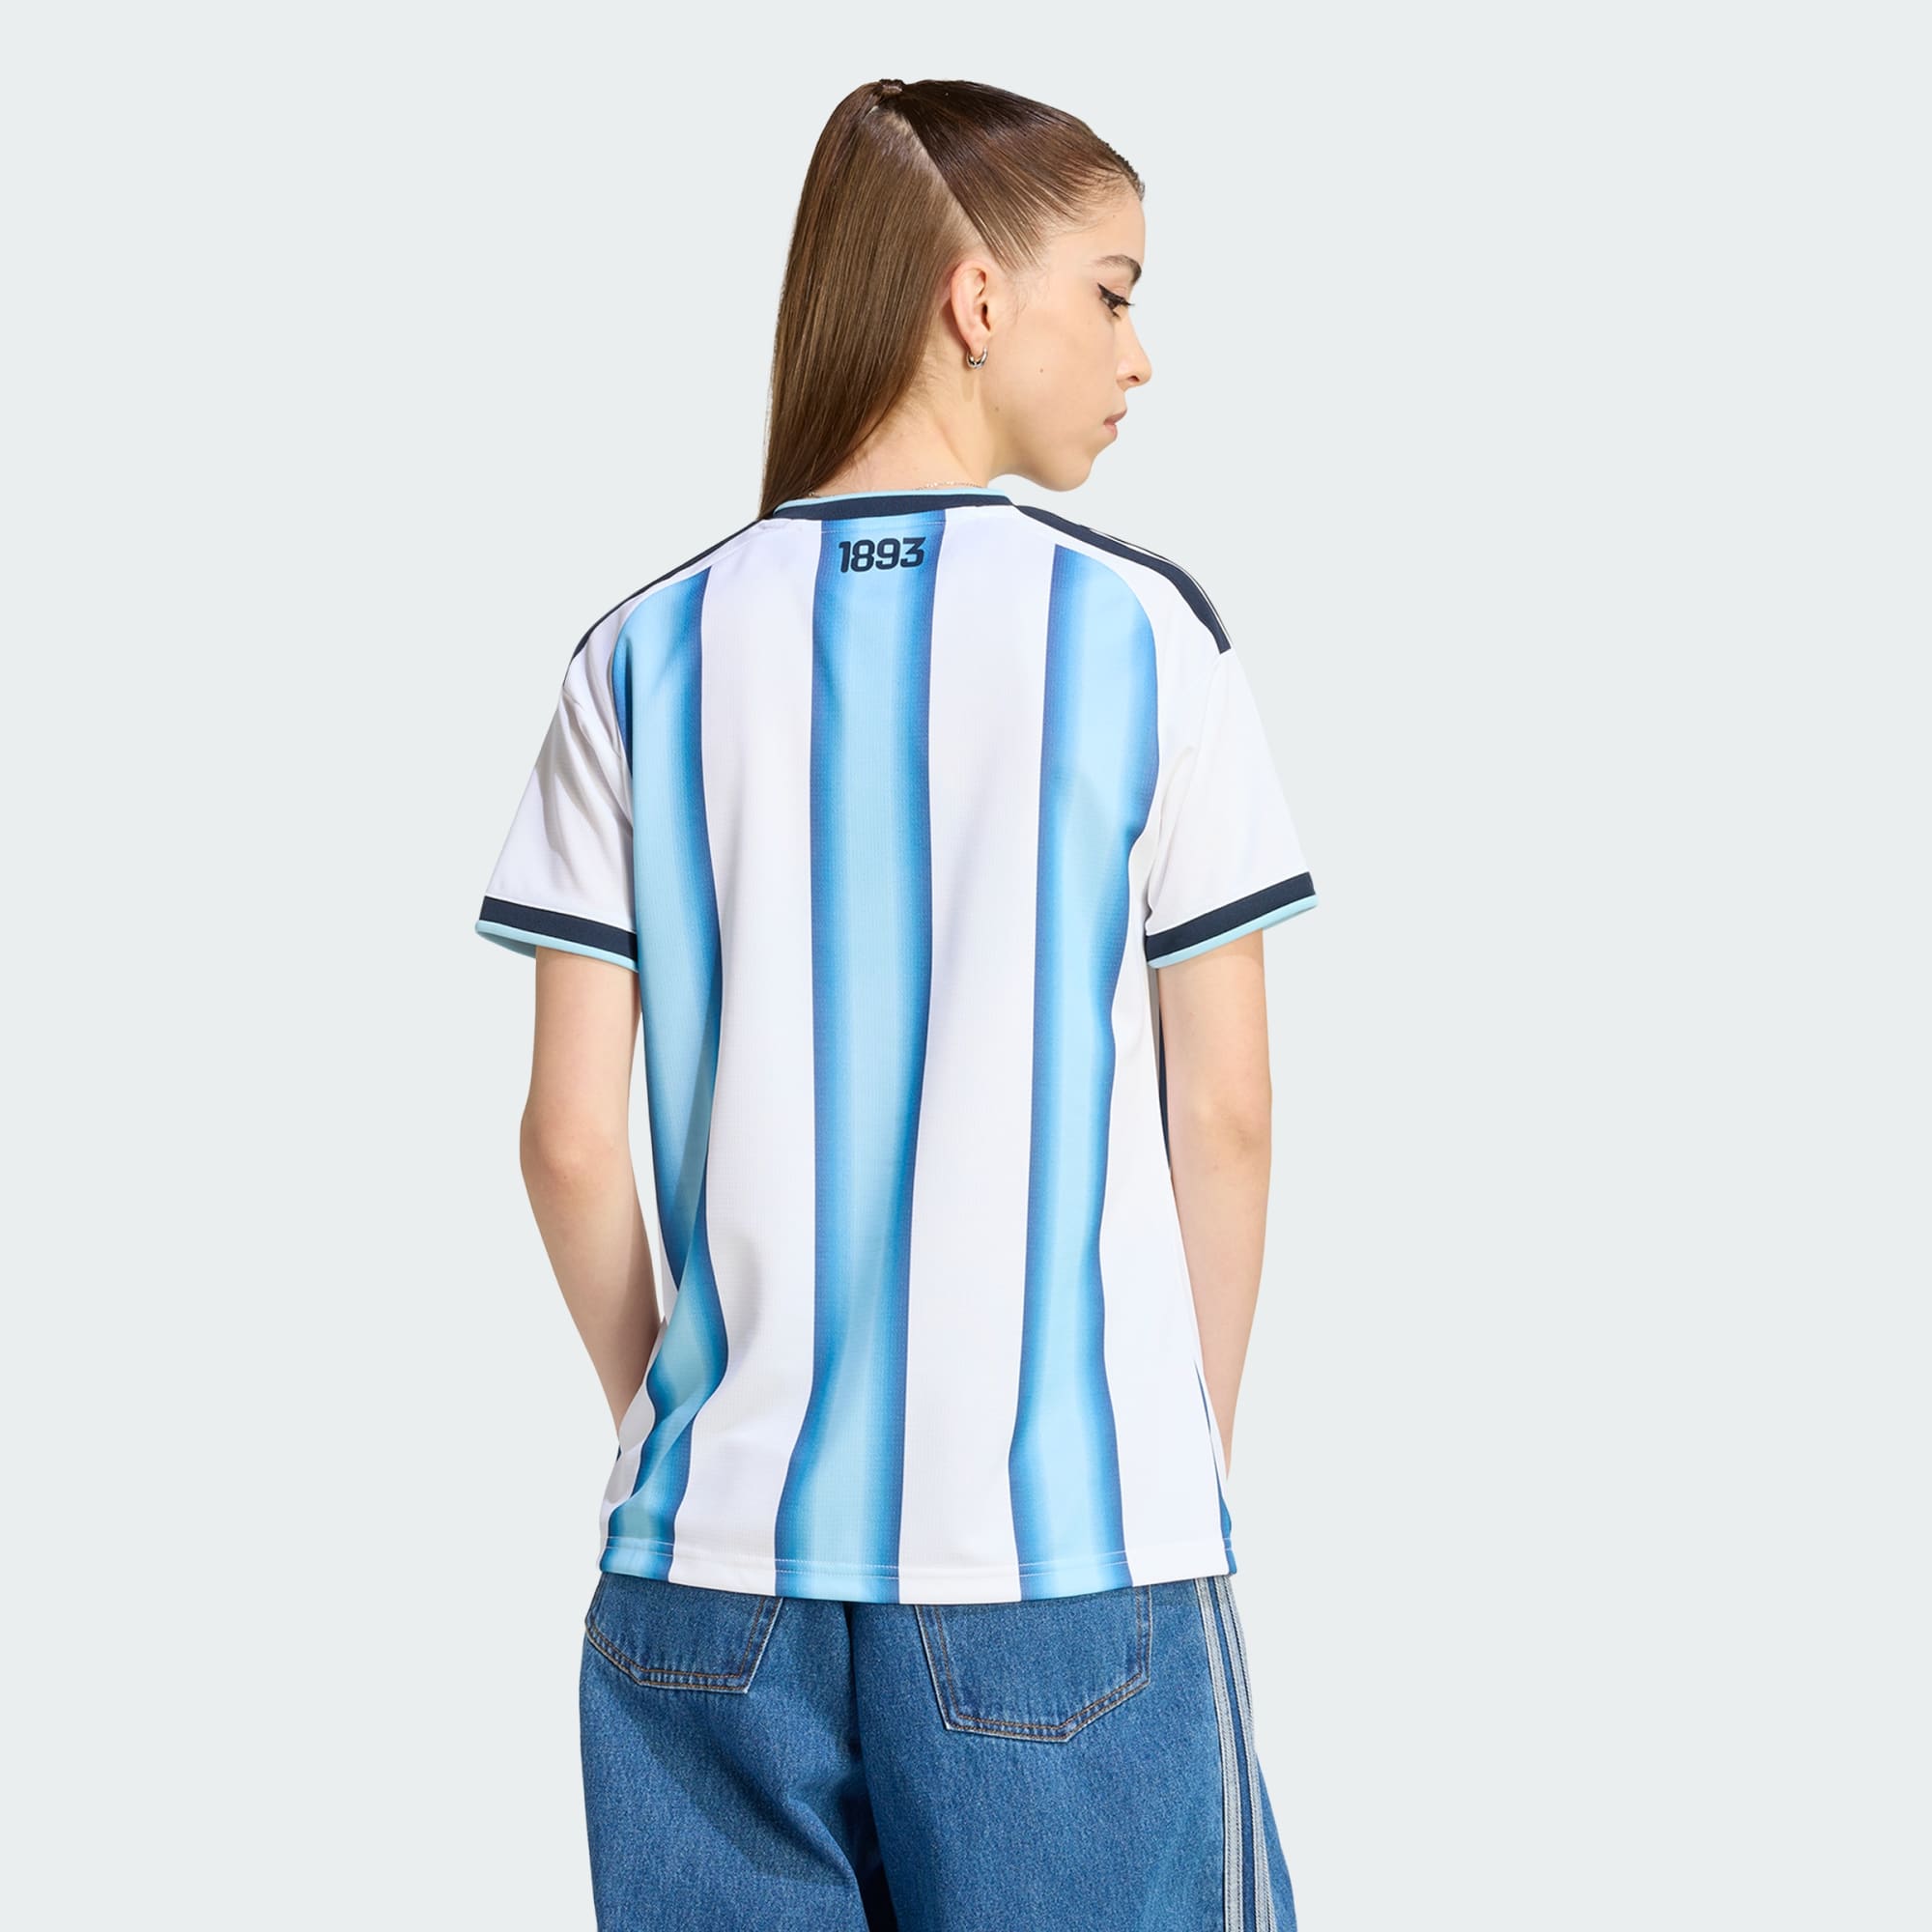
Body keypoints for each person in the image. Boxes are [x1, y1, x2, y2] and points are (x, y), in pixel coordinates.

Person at [474, 73, 1318, 1932]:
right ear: (974, 297)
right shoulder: (1144, 638)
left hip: (701, 1584)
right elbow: (1228, 1112)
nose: (1141, 354)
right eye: (1114, 292)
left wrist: (690, 1435)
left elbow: (565, 1141)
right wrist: (1160, 1470)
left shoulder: (640, 655)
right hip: (1067, 1563)